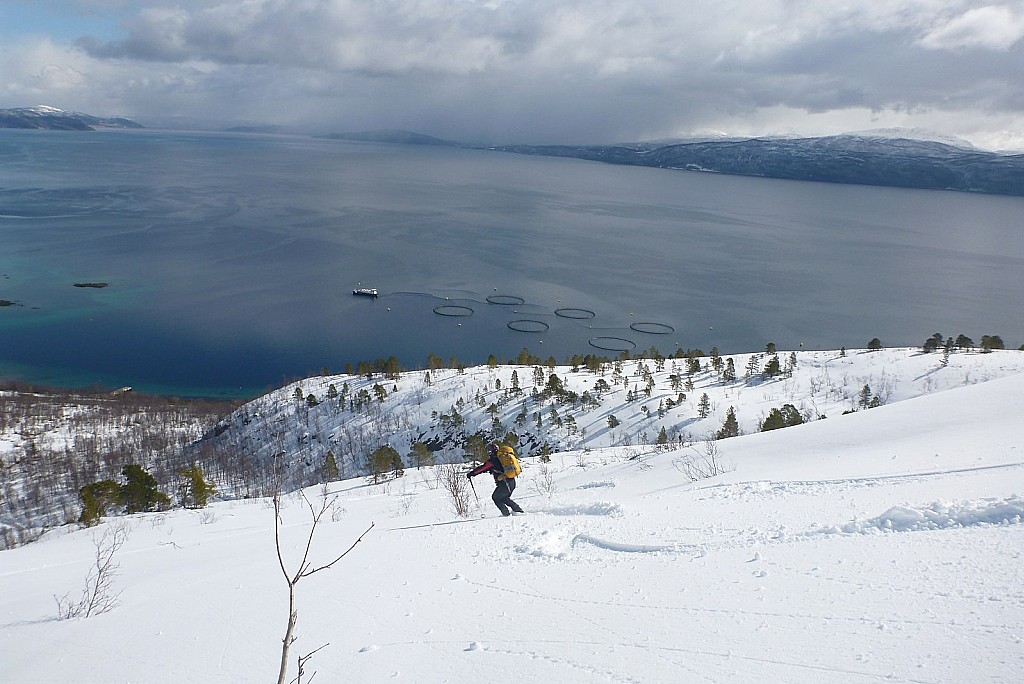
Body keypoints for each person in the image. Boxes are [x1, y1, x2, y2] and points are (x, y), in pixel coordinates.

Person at [467, 443, 524, 516]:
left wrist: (472, 473)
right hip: (510, 482)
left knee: (496, 497)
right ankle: (518, 511)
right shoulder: (500, 458)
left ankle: (506, 514)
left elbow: (483, 468)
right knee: (504, 498)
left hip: (505, 483)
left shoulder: (493, 460)